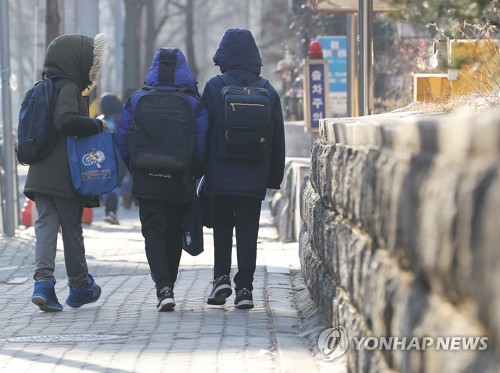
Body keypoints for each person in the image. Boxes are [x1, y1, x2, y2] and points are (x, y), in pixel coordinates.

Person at [117, 48, 208, 312]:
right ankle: (170, 283)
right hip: (180, 178)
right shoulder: (193, 102)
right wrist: (194, 172)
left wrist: (136, 169)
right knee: (174, 232)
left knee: (153, 233)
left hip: (147, 178)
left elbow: (123, 141)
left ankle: (163, 287)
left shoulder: (136, 100)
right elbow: (202, 145)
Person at [201, 28, 285, 309]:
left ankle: (221, 279)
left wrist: (200, 171)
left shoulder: (214, 87)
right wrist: (273, 178)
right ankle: (245, 289)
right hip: (253, 177)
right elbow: (278, 139)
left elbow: (203, 132)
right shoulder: (267, 90)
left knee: (222, 228)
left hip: (220, 175)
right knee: (249, 232)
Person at [24, 33, 108, 312]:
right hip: (65, 175)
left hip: (39, 174)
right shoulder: (69, 87)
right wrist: (96, 125)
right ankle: (80, 285)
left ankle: (43, 284)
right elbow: (65, 121)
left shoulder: (43, 86)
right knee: (72, 230)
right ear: (77, 60)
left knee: (46, 227)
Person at [97, 92, 128, 225]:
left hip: (102, 157)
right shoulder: (122, 119)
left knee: (105, 184)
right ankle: (112, 212)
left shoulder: (99, 119)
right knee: (116, 185)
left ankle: (107, 211)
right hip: (119, 158)